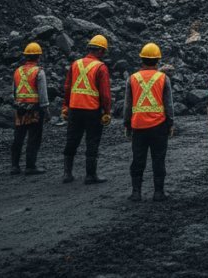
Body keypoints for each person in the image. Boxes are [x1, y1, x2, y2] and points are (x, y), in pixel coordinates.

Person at [124, 42, 173, 202]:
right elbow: (168, 104)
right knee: (158, 159)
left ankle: (136, 192)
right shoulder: (163, 78)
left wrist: (127, 125)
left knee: (138, 159)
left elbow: (127, 105)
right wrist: (170, 123)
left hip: (138, 125)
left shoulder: (132, 78)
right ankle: (159, 192)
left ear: (141, 59)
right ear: (158, 60)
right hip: (159, 126)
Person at [62, 34, 112, 184]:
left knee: (71, 140)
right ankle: (90, 176)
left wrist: (65, 107)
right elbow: (105, 94)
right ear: (101, 51)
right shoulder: (101, 67)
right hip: (92, 111)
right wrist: (107, 112)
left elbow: (68, 87)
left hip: (75, 109)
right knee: (92, 142)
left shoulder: (75, 64)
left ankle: (67, 174)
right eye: (104, 52)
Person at [11, 42, 49, 175]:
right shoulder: (39, 71)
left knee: (18, 137)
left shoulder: (17, 71)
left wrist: (18, 104)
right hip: (35, 110)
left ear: (26, 56)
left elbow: (14, 92)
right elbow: (43, 94)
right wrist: (46, 110)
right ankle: (30, 166)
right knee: (34, 138)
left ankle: (14, 166)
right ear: (38, 56)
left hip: (20, 109)